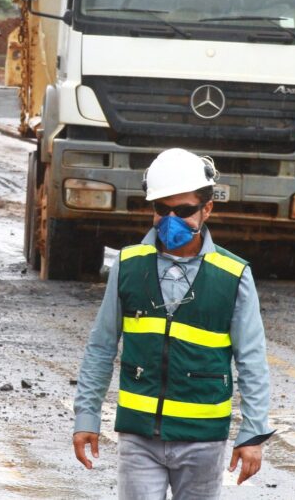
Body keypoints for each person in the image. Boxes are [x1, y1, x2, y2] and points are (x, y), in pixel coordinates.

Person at [72, 148, 273, 499]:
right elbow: (102, 346)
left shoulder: (233, 274)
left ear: (206, 209)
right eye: (162, 210)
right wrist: (86, 417)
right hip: (139, 436)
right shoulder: (128, 265)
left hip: (203, 438)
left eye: (183, 211)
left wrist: (252, 434)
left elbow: (252, 360)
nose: (171, 220)